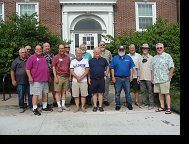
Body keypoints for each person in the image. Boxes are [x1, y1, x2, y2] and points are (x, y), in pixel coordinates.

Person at [26, 45, 52, 116]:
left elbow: (46, 69)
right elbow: (27, 69)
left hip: (45, 79)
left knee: (45, 93)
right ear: (35, 50)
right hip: (36, 80)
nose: (39, 50)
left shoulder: (43, 58)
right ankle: (35, 108)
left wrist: (48, 77)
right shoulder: (31, 58)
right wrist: (30, 77)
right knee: (35, 94)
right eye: (37, 49)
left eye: (40, 49)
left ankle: (44, 107)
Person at [110, 45, 135, 111]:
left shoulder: (128, 57)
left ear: (124, 50)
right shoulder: (115, 58)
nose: (121, 51)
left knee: (128, 93)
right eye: (120, 50)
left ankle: (129, 104)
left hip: (127, 78)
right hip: (117, 78)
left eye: (122, 50)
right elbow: (112, 68)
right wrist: (113, 77)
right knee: (117, 93)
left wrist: (131, 76)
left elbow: (131, 68)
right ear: (118, 50)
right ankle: (117, 105)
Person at [152, 43, 174, 114]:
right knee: (160, 93)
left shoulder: (167, 56)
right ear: (156, 49)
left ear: (163, 48)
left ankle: (168, 108)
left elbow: (172, 67)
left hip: (165, 79)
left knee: (166, 93)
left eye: (160, 47)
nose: (159, 49)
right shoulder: (154, 57)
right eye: (158, 48)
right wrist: (152, 78)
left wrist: (170, 76)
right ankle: (162, 107)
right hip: (157, 79)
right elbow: (152, 69)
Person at [10, 48, 33, 113]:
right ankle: (22, 107)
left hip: (29, 81)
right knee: (21, 95)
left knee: (30, 95)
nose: (24, 53)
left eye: (25, 52)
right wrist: (13, 80)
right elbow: (12, 71)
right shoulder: (16, 61)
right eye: (22, 52)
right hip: (20, 81)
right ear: (19, 53)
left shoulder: (29, 59)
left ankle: (31, 106)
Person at [88, 47, 109, 112]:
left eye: (98, 52)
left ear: (100, 53)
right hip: (93, 79)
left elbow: (108, 67)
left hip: (101, 79)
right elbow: (88, 70)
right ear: (94, 53)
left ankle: (100, 106)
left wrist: (106, 75)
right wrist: (89, 78)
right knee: (94, 93)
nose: (97, 53)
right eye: (96, 52)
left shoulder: (104, 60)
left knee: (100, 93)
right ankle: (95, 106)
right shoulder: (91, 60)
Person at [52, 44, 71, 112]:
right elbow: (53, 67)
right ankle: (59, 106)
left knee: (64, 92)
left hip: (66, 77)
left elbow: (69, 67)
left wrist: (70, 76)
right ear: (58, 49)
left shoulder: (67, 57)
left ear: (64, 49)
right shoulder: (55, 57)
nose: (62, 49)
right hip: (58, 76)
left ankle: (63, 105)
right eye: (60, 48)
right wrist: (55, 77)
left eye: (63, 48)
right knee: (57, 92)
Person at [136, 43, 154, 110]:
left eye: (146, 48)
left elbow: (153, 69)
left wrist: (152, 78)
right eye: (143, 48)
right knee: (143, 91)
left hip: (149, 77)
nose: (145, 49)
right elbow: (138, 68)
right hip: (141, 77)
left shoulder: (152, 58)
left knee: (150, 91)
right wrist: (138, 77)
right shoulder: (139, 58)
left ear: (148, 49)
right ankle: (145, 103)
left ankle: (151, 104)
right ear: (142, 49)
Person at [42, 43, 56, 107]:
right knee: (45, 89)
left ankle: (55, 101)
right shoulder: (41, 55)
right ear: (43, 47)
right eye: (46, 46)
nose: (47, 47)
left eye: (48, 46)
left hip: (52, 74)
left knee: (54, 88)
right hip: (44, 74)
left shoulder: (52, 54)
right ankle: (45, 103)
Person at [99, 41, 112, 106]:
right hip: (99, 71)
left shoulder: (108, 52)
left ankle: (106, 99)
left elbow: (110, 61)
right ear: (99, 45)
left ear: (105, 45)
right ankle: (99, 99)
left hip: (106, 71)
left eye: (103, 45)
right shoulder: (97, 52)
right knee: (100, 85)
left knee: (106, 86)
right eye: (101, 45)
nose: (102, 46)